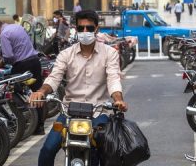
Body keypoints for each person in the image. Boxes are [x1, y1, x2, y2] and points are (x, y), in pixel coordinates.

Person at [30, 10, 126, 166]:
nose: (85, 32)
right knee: (47, 149)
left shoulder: (109, 53)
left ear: (96, 29)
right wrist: (41, 91)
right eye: (81, 28)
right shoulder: (66, 54)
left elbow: (113, 78)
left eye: (89, 28)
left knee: (106, 149)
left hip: (99, 111)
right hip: (69, 112)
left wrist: (118, 99)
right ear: (76, 29)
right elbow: (54, 78)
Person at [0, 20, 45, 135]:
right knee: (37, 93)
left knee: (7, 88)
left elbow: (9, 56)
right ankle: (40, 127)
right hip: (34, 61)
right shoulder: (17, 27)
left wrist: (2, 63)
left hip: (22, 65)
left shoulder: (4, 34)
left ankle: (20, 115)